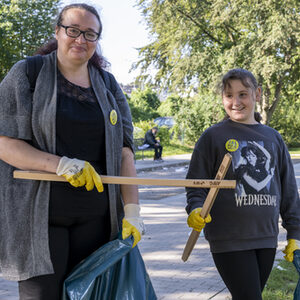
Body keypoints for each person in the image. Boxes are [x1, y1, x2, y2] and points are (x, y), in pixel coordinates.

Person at [0, 3, 144, 300]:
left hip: (97, 222)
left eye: (90, 34)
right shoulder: (27, 74)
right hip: (38, 223)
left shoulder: (107, 85)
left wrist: (132, 210)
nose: (81, 40)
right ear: (58, 31)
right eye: (73, 30)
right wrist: (61, 164)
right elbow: (4, 142)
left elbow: (125, 152)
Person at [185, 68, 300, 300]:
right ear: (222, 99)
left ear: (256, 94)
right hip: (229, 238)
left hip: (266, 237)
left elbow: (288, 190)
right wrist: (196, 208)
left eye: (243, 94)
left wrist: (295, 233)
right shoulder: (213, 136)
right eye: (229, 95)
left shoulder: (273, 138)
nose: (235, 102)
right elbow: (196, 185)